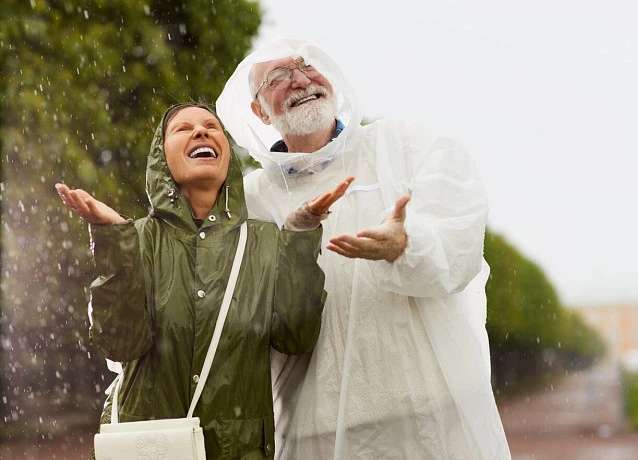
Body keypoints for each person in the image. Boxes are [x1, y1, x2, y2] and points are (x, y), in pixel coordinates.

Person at [216, 39, 511, 459]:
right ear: (260, 111)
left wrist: (407, 245)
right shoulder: (249, 200)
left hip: (428, 419)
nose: (301, 80)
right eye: (279, 76)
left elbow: (460, 244)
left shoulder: (402, 145)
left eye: (307, 66)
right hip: (313, 431)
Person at [55, 102, 353, 459]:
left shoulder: (268, 242)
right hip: (145, 448)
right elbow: (120, 344)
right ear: (160, 158)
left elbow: (296, 337)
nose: (201, 131)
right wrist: (113, 239)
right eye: (182, 129)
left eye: (212, 126)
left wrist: (301, 240)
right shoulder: (135, 240)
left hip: (238, 450)